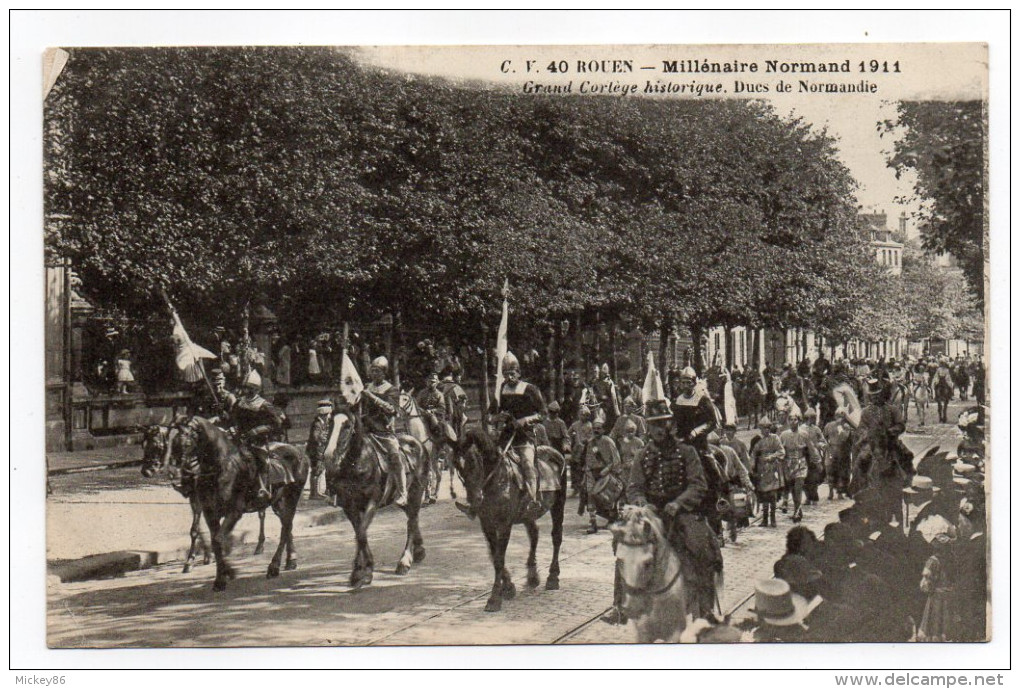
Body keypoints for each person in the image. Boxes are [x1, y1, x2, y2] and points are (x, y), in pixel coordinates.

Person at [626, 399, 719, 620]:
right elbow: (634, 487)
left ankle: (705, 608)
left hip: (681, 511)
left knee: (700, 547)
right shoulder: (642, 455)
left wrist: (678, 503)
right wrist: (642, 504)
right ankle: (622, 604)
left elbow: (698, 485)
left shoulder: (686, 452)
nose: (658, 429)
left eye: (662, 424)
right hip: (652, 512)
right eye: (654, 425)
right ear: (648, 427)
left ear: (670, 425)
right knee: (626, 547)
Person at [489, 351, 547, 518]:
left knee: (528, 464)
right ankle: (481, 498)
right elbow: (490, 414)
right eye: (506, 373)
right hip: (505, 436)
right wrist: (498, 417)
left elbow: (542, 413)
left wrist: (526, 420)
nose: (509, 376)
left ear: (519, 372)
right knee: (487, 461)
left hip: (525, 436)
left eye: (512, 372)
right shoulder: (501, 390)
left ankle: (533, 499)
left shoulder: (530, 389)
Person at [852, 377, 910, 523]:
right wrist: (867, 435)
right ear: (870, 396)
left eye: (878, 395)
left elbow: (901, 425)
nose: (876, 398)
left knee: (906, 455)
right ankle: (859, 487)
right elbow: (861, 428)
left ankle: (908, 481)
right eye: (873, 396)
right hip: (872, 443)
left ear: (882, 394)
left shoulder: (892, 409)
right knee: (861, 459)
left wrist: (891, 431)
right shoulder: (865, 412)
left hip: (890, 441)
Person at [231, 369, 288, 500]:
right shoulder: (239, 402)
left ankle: (262, 487)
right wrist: (231, 425)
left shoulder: (264, 405)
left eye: (250, 388)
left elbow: (277, 424)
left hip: (258, 441)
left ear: (256, 390)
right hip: (239, 439)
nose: (246, 391)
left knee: (261, 461)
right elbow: (232, 418)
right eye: (246, 388)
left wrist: (258, 430)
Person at [363, 356, 408, 507]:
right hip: (367, 427)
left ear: (384, 373)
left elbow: (391, 409)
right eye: (372, 371)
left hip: (383, 430)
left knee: (395, 457)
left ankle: (403, 493)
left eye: (377, 371)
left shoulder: (392, 389)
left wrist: (372, 397)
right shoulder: (367, 387)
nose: (373, 374)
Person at [582, 418, 622, 534]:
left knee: (608, 496)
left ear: (603, 430)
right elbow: (588, 459)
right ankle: (592, 522)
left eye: (599, 428)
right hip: (592, 473)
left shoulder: (608, 441)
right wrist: (589, 472)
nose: (596, 430)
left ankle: (612, 518)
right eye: (594, 429)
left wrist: (608, 470)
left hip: (607, 472)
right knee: (590, 495)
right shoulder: (591, 443)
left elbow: (616, 459)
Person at [779, 411, 820, 523]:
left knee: (798, 487)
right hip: (788, 464)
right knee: (793, 489)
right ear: (788, 421)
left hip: (801, 463)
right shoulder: (783, 435)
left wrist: (817, 461)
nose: (793, 422)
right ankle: (798, 510)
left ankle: (797, 511)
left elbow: (811, 448)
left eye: (795, 419)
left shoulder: (804, 434)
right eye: (791, 419)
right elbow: (780, 450)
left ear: (799, 421)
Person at [750, 418, 784, 528]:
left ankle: (773, 519)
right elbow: (753, 454)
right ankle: (765, 519)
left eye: (768, 428)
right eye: (763, 428)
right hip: (761, 469)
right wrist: (752, 467)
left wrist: (772, 456)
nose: (766, 430)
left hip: (773, 468)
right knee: (764, 494)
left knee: (772, 495)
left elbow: (781, 451)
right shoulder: (757, 440)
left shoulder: (775, 438)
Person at [305, 398, 334, 500]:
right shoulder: (318, 423)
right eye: (326, 415)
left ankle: (319, 491)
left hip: (320, 449)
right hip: (316, 450)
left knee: (320, 469)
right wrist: (324, 438)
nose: (328, 417)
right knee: (317, 470)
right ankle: (314, 493)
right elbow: (316, 437)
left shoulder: (322, 422)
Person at [822, 413, 853, 500]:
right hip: (831, 450)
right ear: (835, 416)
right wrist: (825, 444)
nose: (839, 419)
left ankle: (840, 492)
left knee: (841, 472)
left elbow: (845, 438)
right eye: (838, 416)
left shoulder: (846, 427)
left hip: (842, 451)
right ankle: (830, 492)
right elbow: (823, 436)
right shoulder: (829, 425)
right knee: (830, 471)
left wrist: (840, 428)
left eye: (841, 417)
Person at [801, 409, 827, 505]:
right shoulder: (801, 429)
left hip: (815, 455)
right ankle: (808, 498)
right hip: (804, 455)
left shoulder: (816, 429)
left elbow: (823, 440)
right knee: (805, 478)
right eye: (813, 418)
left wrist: (820, 445)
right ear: (808, 418)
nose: (814, 420)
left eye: (815, 418)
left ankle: (814, 498)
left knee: (814, 477)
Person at [567, 406, 594, 495]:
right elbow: (568, 434)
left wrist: (587, 441)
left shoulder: (590, 425)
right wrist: (572, 440)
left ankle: (583, 487)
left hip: (586, 449)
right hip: (576, 449)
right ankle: (575, 487)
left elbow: (592, 437)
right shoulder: (575, 425)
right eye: (582, 415)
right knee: (574, 468)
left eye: (585, 415)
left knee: (583, 468)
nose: (583, 417)